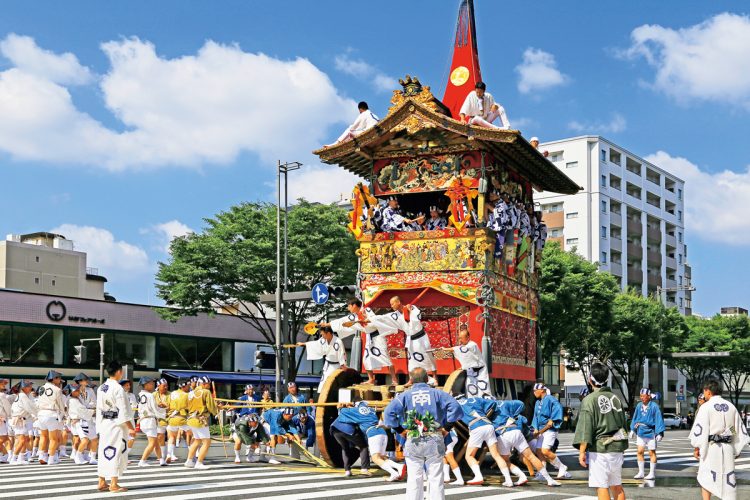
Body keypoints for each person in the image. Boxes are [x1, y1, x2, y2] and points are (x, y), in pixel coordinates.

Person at [384, 367, 462, 500]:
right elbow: (455, 407)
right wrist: (447, 428)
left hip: (413, 437)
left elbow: (388, 413)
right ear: (427, 379)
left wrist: (401, 431)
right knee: (436, 477)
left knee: (414, 478)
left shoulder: (404, 396)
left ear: (411, 380)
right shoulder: (438, 393)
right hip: (434, 437)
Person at [573, 362, 628, 500]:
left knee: (602, 486)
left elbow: (585, 428)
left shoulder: (589, 400)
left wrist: (581, 452)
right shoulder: (616, 398)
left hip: (600, 449)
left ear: (590, 378)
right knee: (616, 485)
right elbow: (623, 423)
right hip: (617, 447)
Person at [690, 379, 750, 500]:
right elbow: (735, 429)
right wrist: (735, 447)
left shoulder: (706, 407)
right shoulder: (731, 407)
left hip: (711, 447)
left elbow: (702, 430)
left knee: (706, 477)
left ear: (708, 391)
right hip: (727, 447)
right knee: (727, 478)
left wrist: (697, 447)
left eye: (704, 391)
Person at [325, 298, 397, 385]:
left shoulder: (366, 310)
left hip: (377, 335)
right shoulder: (355, 315)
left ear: (354, 305)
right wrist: (327, 324)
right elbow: (342, 320)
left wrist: (359, 321)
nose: (348, 309)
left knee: (386, 358)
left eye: (349, 306)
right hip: (369, 337)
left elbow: (373, 320)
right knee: (366, 359)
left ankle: (394, 380)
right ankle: (371, 379)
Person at [494, 399, 560, 487]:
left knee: (504, 460)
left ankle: (513, 479)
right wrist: (515, 414)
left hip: (502, 433)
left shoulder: (490, 408)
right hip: (516, 431)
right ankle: (549, 479)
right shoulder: (506, 404)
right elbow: (521, 404)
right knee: (531, 456)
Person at [455, 394, 517, 487]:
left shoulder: (456, 404)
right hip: (489, 425)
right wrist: (487, 414)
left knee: (469, 456)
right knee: (496, 455)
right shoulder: (474, 399)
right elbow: (493, 403)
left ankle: (478, 476)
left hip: (476, 427)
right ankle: (508, 480)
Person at [371, 296, 437, 384]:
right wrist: (369, 319)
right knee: (411, 360)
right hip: (411, 338)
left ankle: (435, 378)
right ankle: (411, 379)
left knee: (429, 356)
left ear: (398, 302)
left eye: (392, 303)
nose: (391, 306)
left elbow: (417, 318)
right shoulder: (395, 315)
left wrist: (409, 311)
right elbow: (383, 318)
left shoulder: (412, 308)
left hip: (421, 337)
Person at [96, 360, 136, 493]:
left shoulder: (101, 387)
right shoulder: (118, 388)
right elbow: (123, 411)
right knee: (116, 450)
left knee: (104, 451)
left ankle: (101, 481)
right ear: (119, 372)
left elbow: (98, 408)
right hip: (116, 424)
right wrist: (131, 427)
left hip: (105, 423)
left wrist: (98, 426)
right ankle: (113, 483)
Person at [439, 324, 490, 397]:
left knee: (483, 390)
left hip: (480, 372)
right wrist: (464, 366)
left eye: (461, 338)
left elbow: (463, 350)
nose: (460, 341)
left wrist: (446, 349)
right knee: (470, 388)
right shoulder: (465, 346)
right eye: (459, 338)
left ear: (468, 337)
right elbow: (467, 358)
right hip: (471, 372)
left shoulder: (472, 345)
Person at [532, 382, 570, 479]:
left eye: (535, 390)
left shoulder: (550, 399)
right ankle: (543, 472)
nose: (534, 392)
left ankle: (562, 467)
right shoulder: (537, 402)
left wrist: (552, 419)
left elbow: (558, 409)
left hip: (550, 430)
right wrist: (536, 428)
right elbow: (535, 416)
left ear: (542, 390)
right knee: (539, 451)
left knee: (545, 451)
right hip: (541, 429)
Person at [297, 326, 347, 393]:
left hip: (336, 365)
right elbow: (315, 344)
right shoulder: (323, 340)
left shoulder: (338, 341)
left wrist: (343, 366)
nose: (322, 336)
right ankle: (320, 395)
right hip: (328, 364)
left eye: (323, 334)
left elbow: (342, 354)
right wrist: (303, 344)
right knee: (323, 382)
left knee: (333, 383)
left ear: (328, 333)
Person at [629, 388, 665, 480]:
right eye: (641, 396)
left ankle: (652, 473)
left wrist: (659, 433)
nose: (642, 398)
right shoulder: (639, 405)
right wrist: (632, 430)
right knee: (639, 451)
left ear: (649, 396)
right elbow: (635, 418)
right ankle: (641, 472)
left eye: (644, 396)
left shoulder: (654, 406)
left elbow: (658, 419)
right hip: (641, 431)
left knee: (651, 452)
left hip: (651, 432)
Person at [330, 400, 372, 477]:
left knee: (345, 448)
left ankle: (347, 470)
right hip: (347, 429)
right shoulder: (358, 411)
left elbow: (339, 407)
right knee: (363, 446)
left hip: (334, 428)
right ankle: (364, 469)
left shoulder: (346, 410)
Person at [185, 376, 218, 469]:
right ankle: (199, 463)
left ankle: (189, 460)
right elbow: (211, 406)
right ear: (204, 384)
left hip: (191, 419)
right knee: (207, 442)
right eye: (208, 384)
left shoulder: (191, 393)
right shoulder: (206, 392)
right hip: (200, 420)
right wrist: (216, 411)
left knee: (197, 440)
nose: (209, 386)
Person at [37, 369, 66, 465]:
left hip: (41, 413)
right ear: (54, 379)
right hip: (51, 413)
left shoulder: (41, 388)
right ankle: (51, 459)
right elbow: (60, 404)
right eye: (59, 378)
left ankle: (42, 456)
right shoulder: (57, 389)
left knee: (43, 436)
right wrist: (63, 413)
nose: (60, 380)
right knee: (53, 438)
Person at [136, 376, 165, 467]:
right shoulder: (150, 395)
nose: (153, 385)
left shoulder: (140, 394)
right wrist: (165, 413)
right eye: (151, 383)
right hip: (149, 420)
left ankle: (161, 460)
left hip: (143, 419)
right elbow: (155, 409)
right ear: (146, 384)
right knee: (152, 443)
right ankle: (142, 460)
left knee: (155, 441)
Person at [9, 380, 36, 465]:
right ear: (24, 387)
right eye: (29, 386)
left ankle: (21, 458)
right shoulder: (22, 396)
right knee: (22, 440)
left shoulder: (25, 395)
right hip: (20, 420)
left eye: (31, 385)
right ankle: (13, 458)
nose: (31, 387)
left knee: (24, 440)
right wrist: (39, 414)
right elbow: (30, 408)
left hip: (23, 419)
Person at [73, 372, 98, 464]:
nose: (87, 381)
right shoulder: (74, 390)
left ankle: (91, 457)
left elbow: (94, 402)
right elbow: (73, 404)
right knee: (84, 439)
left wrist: (87, 406)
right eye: (85, 380)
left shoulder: (90, 390)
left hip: (89, 417)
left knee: (94, 439)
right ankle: (78, 456)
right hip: (79, 418)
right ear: (80, 381)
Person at [166, 379, 191, 463]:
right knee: (190, 434)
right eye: (188, 385)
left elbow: (168, 405)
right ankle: (192, 455)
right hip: (182, 418)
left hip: (172, 418)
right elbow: (188, 407)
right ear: (184, 386)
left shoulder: (172, 393)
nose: (189, 387)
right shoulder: (186, 395)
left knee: (172, 437)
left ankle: (169, 454)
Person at [120, 379, 138, 460]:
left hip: (130, 419)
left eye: (129, 385)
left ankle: (125, 455)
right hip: (121, 419)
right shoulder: (119, 395)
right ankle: (121, 455)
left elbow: (134, 406)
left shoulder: (132, 395)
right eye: (126, 385)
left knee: (132, 438)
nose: (128, 387)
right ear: (122, 386)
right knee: (122, 438)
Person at [154, 378, 170, 463]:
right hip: (158, 419)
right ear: (158, 386)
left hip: (169, 417)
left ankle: (170, 454)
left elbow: (172, 406)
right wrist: (157, 405)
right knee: (160, 437)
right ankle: (162, 456)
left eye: (167, 385)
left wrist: (165, 405)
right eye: (164, 386)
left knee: (170, 437)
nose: (166, 387)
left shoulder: (170, 395)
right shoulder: (153, 395)